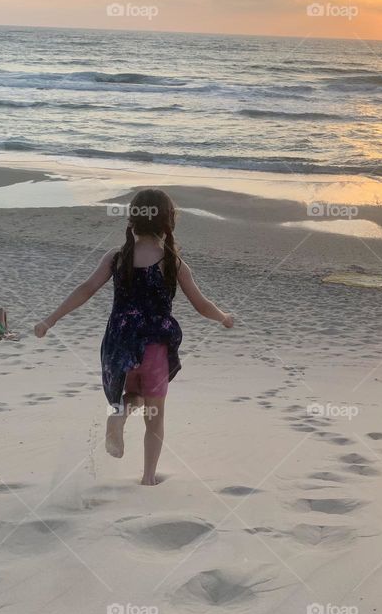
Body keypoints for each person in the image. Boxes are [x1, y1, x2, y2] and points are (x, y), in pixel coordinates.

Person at [34, 189, 233, 485]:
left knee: (131, 396)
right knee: (155, 415)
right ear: (169, 221)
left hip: (119, 345)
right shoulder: (172, 262)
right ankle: (148, 477)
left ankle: (118, 415)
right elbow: (201, 304)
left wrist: (50, 319)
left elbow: (86, 289)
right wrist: (224, 317)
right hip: (154, 347)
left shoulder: (117, 257)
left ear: (132, 219)